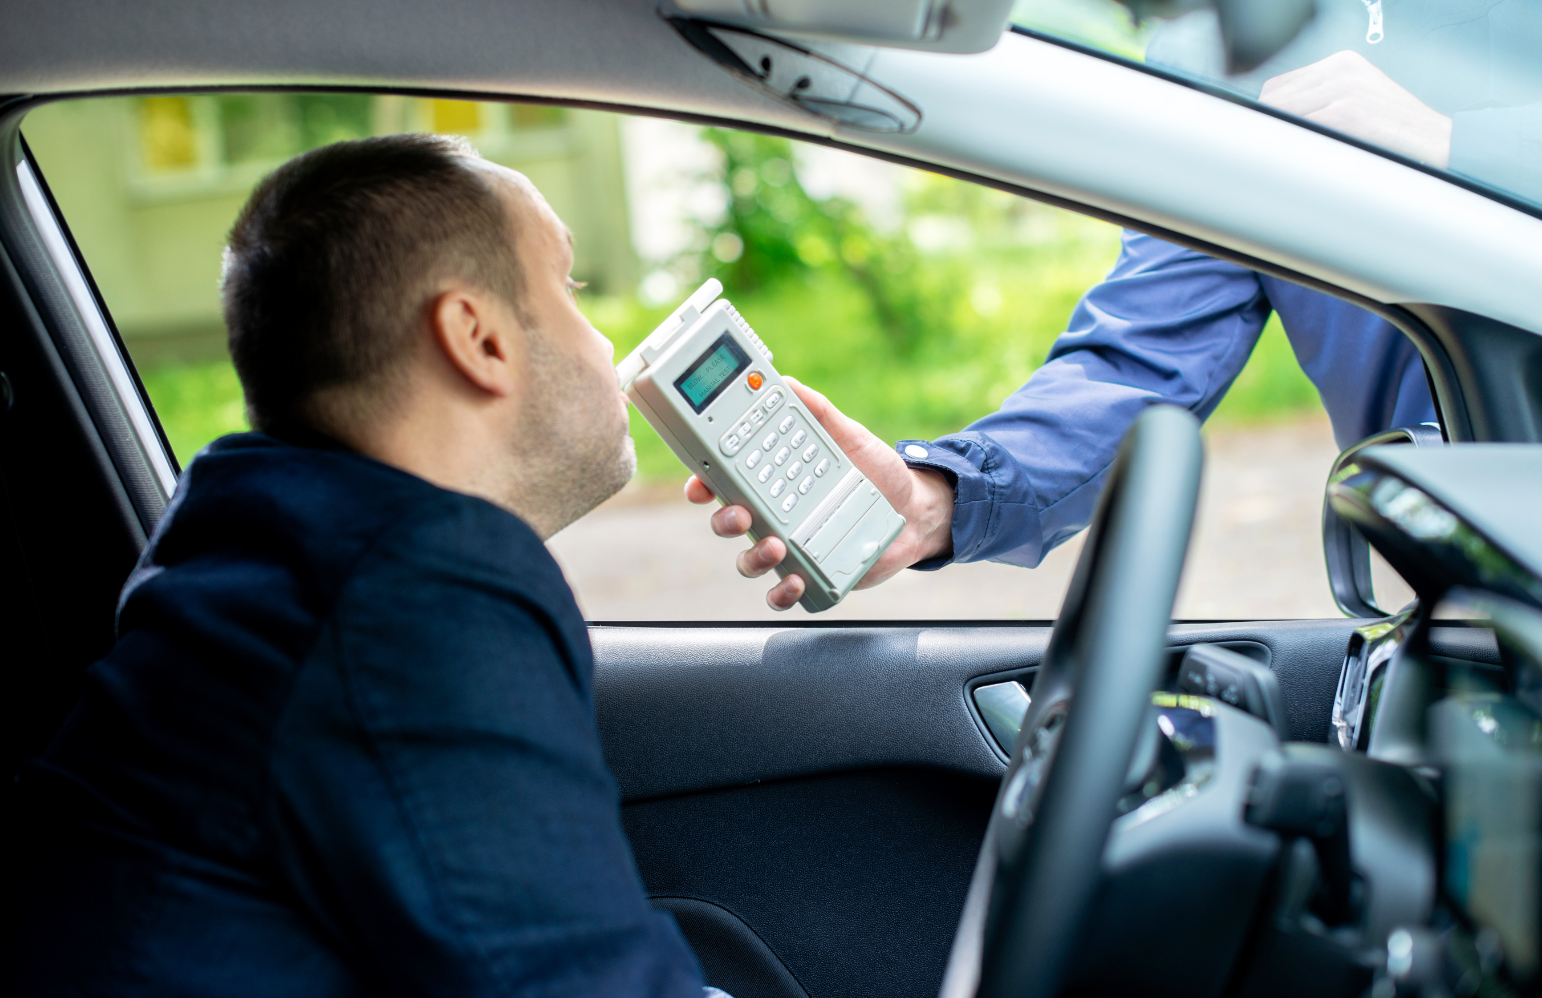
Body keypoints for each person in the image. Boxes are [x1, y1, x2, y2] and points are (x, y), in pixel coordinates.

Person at [5, 135, 721, 997]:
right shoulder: (412, 597)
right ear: (478, 336)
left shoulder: (254, 555)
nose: (604, 342)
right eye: (567, 289)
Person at [691, 0, 1537, 610]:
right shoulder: (1214, 52)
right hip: (1479, 597)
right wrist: (934, 498)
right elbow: (1145, 359)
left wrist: (1464, 152)